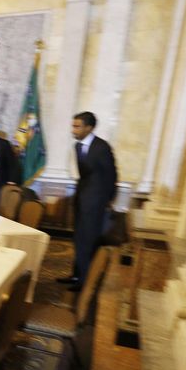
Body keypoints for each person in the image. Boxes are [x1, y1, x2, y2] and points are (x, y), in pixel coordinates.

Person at [57, 111, 117, 291]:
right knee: (79, 240)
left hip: (96, 204)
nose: (73, 129)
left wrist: (105, 202)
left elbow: (111, 176)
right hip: (81, 200)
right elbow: (85, 176)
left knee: (89, 241)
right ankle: (76, 275)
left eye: (77, 126)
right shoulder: (77, 147)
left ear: (89, 128)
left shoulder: (102, 147)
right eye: (73, 125)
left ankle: (85, 281)